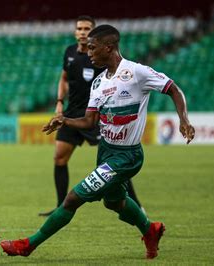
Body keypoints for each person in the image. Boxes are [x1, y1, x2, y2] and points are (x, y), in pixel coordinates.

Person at [1, 24, 195, 259]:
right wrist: (64, 121)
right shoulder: (98, 83)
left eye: (92, 49)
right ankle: (150, 230)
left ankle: (27, 245)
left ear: (109, 47)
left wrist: (183, 120)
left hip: (127, 156)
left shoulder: (136, 72)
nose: (88, 53)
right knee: (114, 202)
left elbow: (173, 88)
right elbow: (90, 121)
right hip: (106, 151)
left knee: (72, 198)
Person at [39, 16, 144, 216]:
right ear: (75, 31)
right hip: (72, 114)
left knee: (113, 161)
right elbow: (63, 78)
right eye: (79, 28)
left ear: (94, 33)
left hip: (93, 116)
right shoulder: (69, 52)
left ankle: (136, 204)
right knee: (59, 158)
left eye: (87, 28)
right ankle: (60, 206)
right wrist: (60, 102)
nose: (83, 32)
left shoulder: (97, 56)